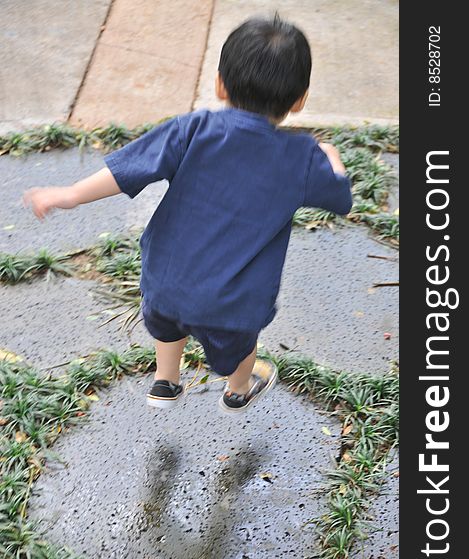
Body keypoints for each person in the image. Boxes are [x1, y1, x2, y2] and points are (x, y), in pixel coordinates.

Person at [23, 15, 352, 414]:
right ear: (299, 99)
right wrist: (332, 160)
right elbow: (340, 200)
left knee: (167, 325)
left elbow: (128, 168)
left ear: (220, 84)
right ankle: (238, 389)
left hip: (165, 282)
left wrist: (71, 194)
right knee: (241, 347)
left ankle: (166, 381)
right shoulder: (302, 158)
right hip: (234, 302)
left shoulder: (192, 129)